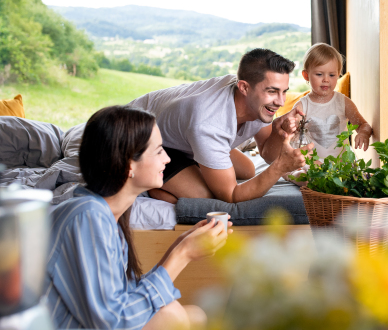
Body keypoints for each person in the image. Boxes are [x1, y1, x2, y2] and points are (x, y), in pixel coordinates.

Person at [43, 106, 232, 330]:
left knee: (196, 316)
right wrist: (183, 254)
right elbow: (114, 321)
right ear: (129, 163)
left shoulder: (107, 218)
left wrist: (180, 245)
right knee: (174, 316)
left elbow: (126, 298)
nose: (168, 159)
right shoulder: (86, 217)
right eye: (160, 150)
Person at [128, 48, 311, 204]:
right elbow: (231, 195)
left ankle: (199, 157)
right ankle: (155, 187)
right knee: (205, 196)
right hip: (140, 138)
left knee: (248, 170)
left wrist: (280, 133)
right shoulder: (209, 124)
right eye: (272, 91)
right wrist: (280, 167)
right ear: (244, 88)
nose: (280, 102)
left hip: (183, 133)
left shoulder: (257, 102)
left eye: (283, 91)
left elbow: (267, 151)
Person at [283, 43, 372, 183]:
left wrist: (364, 133)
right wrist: (291, 125)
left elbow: (363, 124)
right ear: (306, 75)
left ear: (338, 75)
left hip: (342, 163)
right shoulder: (303, 105)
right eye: (319, 74)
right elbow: (292, 133)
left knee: (355, 178)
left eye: (332, 75)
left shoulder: (343, 102)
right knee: (308, 178)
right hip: (313, 163)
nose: (326, 79)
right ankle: (293, 175)